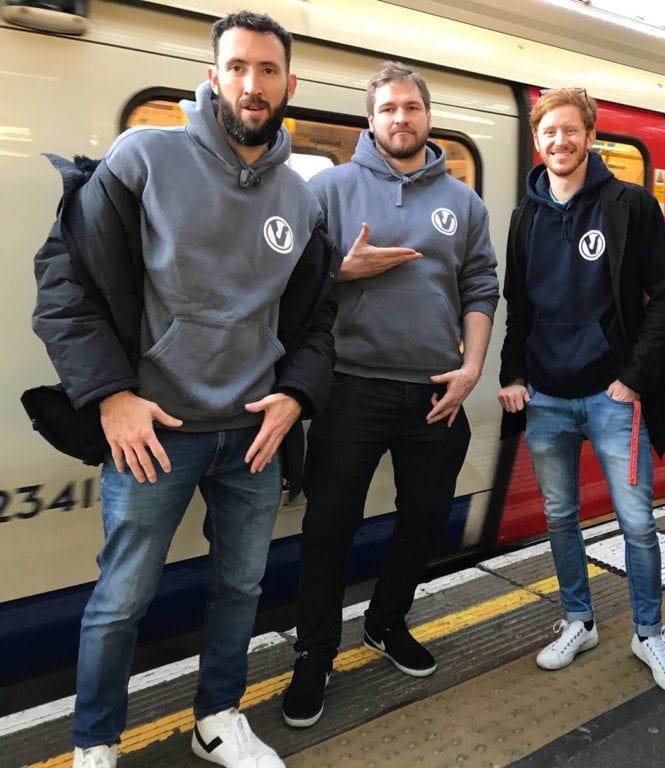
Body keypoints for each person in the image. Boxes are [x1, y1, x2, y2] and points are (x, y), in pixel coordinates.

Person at [29, 12, 338, 768]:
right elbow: (62, 289)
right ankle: (95, 744)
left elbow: (316, 318)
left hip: (254, 434)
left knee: (240, 588)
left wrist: (297, 393)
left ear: (289, 85)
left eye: (269, 70)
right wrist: (110, 395)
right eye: (237, 67)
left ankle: (218, 719)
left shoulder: (301, 199)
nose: (252, 84)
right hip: (154, 431)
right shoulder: (144, 158)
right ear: (212, 78)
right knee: (120, 602)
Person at [281, 62, 499, 728]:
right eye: (387, 110)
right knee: (328, 529)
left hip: (437, 391)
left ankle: (385, 620)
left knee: (426, 517)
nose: (399, 118)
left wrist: (471, 371)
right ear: (369, 121)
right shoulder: (332, 190)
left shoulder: (463, 202)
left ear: (427, 117)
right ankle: (315, 655)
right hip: (349, 387)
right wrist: (341, 269)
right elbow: (291, 281)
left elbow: (481, 288)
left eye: (410, 107)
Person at [497, 88, 665, 696]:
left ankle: (649, 631)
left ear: (590, 135)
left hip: (614, 398)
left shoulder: (629, 205)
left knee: (635, 521)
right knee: (559, 517)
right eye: (549, 131)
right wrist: (512, 373)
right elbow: (517, 305)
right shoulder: (524, 216)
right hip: (547, 397)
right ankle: (579, 619)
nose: (560, 140)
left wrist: (634, 377)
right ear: (538, 139)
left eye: (571, 130)